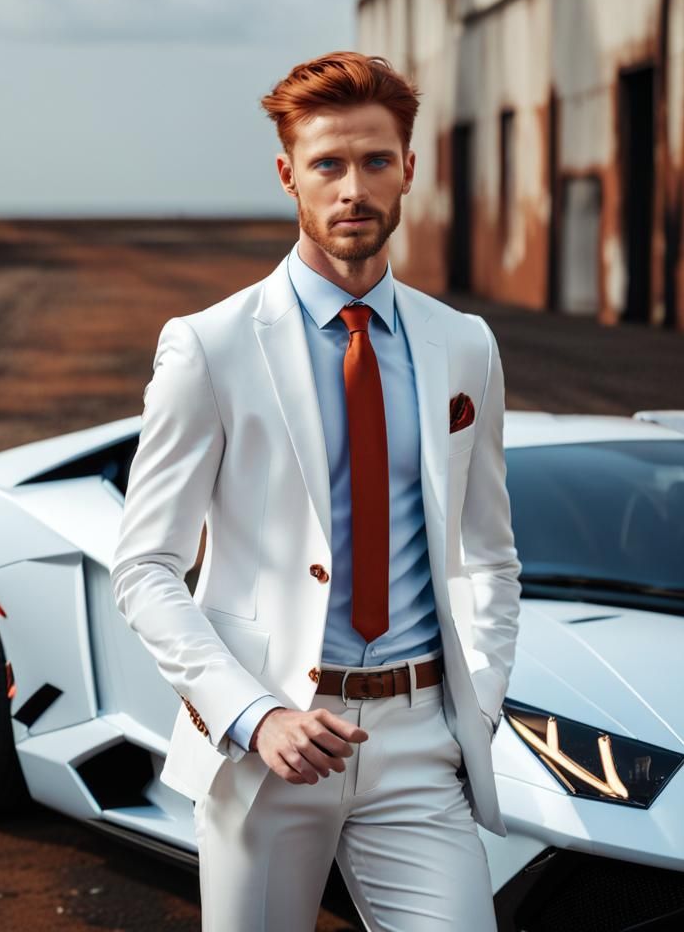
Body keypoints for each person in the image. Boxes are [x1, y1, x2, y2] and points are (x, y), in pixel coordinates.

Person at [110, 50, 522, 931]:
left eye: (376, 161)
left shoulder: (465, 345)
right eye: (328, 164)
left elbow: (490, 556)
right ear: (287, 174)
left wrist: (476, 712)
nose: (353, 189)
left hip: (421, 744)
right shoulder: (210, 345)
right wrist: (253, 716)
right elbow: (144, 568)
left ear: (409, 169)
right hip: (267, 745)